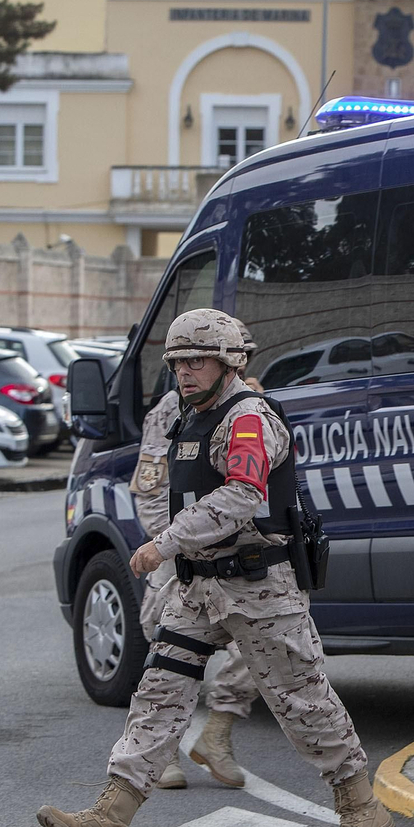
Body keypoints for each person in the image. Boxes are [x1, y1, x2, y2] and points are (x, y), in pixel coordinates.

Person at [38, 310, 390, 827]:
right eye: (178, 361)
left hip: (258, 585)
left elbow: (243, 494)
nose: (184, 371)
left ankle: (361, 807)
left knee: (300, 699)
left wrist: (165, 543)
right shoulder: (183, 414)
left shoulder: (247, 418)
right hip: (197, 588)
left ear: (230, 363)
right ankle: (111, 818)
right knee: (158, 692)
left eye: (196, 360)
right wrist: (175, 548)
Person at [131, 318, 263, 791]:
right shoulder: (173, 410)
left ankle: (218, 734)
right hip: (177, 551)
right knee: (166, 649)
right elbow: (149, 488)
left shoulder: (251, 408)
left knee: (258, 648)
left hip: (234, 555)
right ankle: (163, 751)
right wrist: (170, 542)